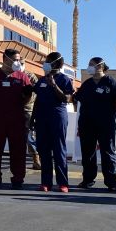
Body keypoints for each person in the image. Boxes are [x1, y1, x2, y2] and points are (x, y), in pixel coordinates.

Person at [0, 48, 35, 189]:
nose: (17, 62)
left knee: (17, 150)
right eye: (15, 59)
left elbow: (28, 96)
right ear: (5, 59)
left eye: (19, 60)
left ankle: (18, 179)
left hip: (16, 119)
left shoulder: (22, 77)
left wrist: (20, 104)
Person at [74, 56, 116, 191]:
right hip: (87, 123)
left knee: (108, 151)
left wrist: (109, 112)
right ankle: (88, 179)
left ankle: (111, 182)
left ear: (100, 66)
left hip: (105, 123)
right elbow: (78, 100)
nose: (89, 67)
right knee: (88, 152)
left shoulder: (110, 82)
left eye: (91, 64)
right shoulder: (87, 83)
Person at [30, 51, 74, 192]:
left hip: (57, 117)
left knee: (59, 150)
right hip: (42, 118)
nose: (45, 64)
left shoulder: (64, 79)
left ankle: (63, 183)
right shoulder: (42, 80)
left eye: (48, 61)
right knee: (44, 151)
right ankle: (46, 183)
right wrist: (32, 119)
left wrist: (54, 85)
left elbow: (66, 99)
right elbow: (37, 100)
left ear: (55, 64)